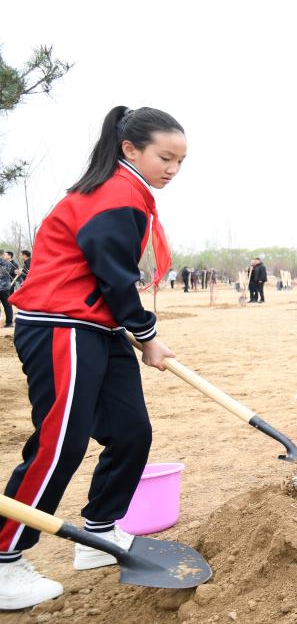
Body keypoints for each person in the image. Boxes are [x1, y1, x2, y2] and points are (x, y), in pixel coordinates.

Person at [0, 106, 183, 611]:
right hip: (61, 324)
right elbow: (113, 276)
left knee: (130, 431)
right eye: (164, 157)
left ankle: (99, 533)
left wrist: (136, 333)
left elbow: (113, 283)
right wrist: (147, 335)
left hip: (98, 326)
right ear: (130, 150)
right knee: (62, 442)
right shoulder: (115, 193)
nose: (172, 169)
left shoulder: (132, 194)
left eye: (180, 162)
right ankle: (4, 558)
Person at [0, 253, 16, 328]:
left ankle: (6, 322)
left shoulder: (6, 263)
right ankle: (9, 323)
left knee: (7, 305)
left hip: (4, 287)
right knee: (7, 305)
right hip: (5, 287)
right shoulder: (7, 263)